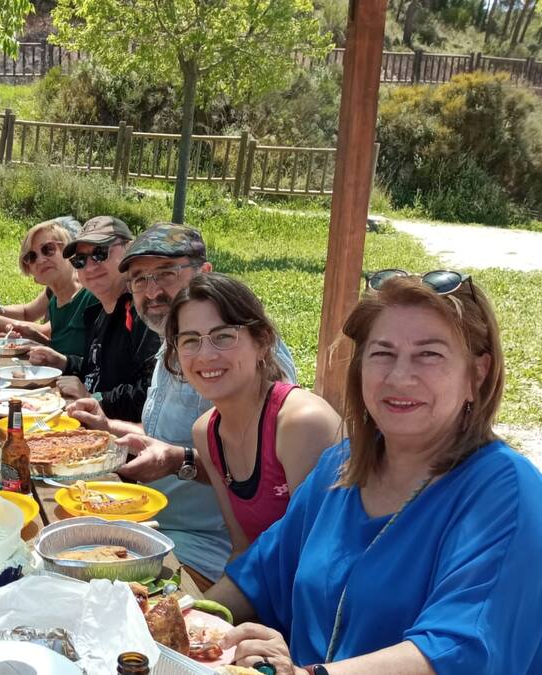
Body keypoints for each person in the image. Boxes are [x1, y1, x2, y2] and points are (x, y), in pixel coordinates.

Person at [207, 270, 542, 674]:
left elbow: (457, 650)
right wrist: (176, 619)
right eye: (382, 353)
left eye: (429, 354)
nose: (400, 377)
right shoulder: (340, 466)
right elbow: (259, 575)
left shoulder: (507, 491)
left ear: (478, 373)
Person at [65, 223, 297, 587]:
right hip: (153, 521)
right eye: (140, 279)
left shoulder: (235, 352)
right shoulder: (171, 345)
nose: (152, 290)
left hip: (209, 547)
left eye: (167, 274)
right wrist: (111, 427)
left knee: (78, 578)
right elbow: (166, 436)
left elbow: (265, 469)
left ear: (204, 273)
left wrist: (178, 462)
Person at [166, 273, 341, 557]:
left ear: (262, 341)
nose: (206, 355)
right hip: (263, 591)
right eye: (190, 340)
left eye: (223, 336)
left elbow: (316, 563)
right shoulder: (206, 432)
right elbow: (242, 550)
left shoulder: (302, 424)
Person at [28, 216, 162, 422]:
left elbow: (150, 392)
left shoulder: (144, 312)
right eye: (80, 260)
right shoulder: (98, 313)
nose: (90, 267)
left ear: (129, 249)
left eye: (100, 253)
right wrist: (64, 362)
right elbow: (97, 370)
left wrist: (95, 399)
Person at [0, 217, 97, 355]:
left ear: (70, 252)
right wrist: (36, 338)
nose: (39, 260)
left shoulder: (92, 297)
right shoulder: (55, 301)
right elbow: (62, 348)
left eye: (48, 249)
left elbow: (90, 362)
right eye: (31, 257)